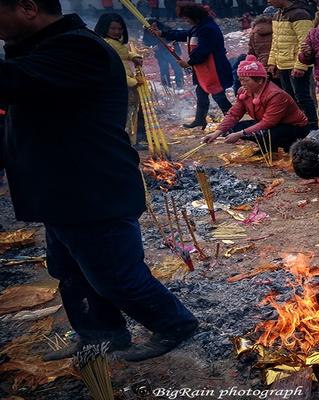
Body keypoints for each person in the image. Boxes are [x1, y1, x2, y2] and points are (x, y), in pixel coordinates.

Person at [0, 0, 198, 362]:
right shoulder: (43, 49)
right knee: (70, 271)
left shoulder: (78, 48)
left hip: (92, 188)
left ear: (29, 7)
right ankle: (101, 333)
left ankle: (174, 323)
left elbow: (10, 82)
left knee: (115, 275)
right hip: (62, 189)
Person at [201, 55, 309, 153]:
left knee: (262, 133)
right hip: (271, 124)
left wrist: (240, 134)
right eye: (240, 80)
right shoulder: (244, 92)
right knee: (234, 127)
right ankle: (266, 148)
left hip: (293, 128)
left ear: (260, 81)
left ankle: (284, 146)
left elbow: (268, 122)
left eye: (246, 80)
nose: (242, 84)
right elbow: (234, 114)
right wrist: (216, 133)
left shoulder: (276, 95)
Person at [150, 3, 233, 130]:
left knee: (218, 95)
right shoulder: (199, 27)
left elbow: (203, 50)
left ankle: (232, 123)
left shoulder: (208, 28)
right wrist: (163, 33)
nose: (186, 20)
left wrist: (188, 63)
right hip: (203, 70)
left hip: (214, 69)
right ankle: (200, 119)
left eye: (186, 17)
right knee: (201, 92)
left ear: (194, 16)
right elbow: (185, 35)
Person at [94, 13, 146, 146]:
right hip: (121, 86)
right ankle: (127, 142)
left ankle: (133, 140)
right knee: (126, 116)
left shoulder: (114, 42)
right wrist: (134, 82)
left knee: (132, 113)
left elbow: (124, 54)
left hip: (126, 84)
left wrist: (133, 56)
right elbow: (113, 72)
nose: (117, 32)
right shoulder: (105, 44)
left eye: (120, 29)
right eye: (113, 29)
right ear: (105, 28)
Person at [267, 0, 318, 130]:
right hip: (282, 64)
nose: (268, 1)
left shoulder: (300, 14)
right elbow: (275, 41)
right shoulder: (277, 15)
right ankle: (297, 126)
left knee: (303, 98)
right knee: (289, 99)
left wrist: (300, 65)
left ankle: (312, 127)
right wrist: (272, 62)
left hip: (296, 65)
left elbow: (306, 42)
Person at [143, 18, 185, 90]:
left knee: (176, 67)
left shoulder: (166, 29)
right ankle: (166, 86)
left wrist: (159, 45)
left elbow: (171, 39)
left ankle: (180, 84)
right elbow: (146, 42)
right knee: (164, 68)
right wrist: (152, 46)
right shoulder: (147, 31)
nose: (153, 27)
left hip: (173, 52)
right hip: (160, 54)